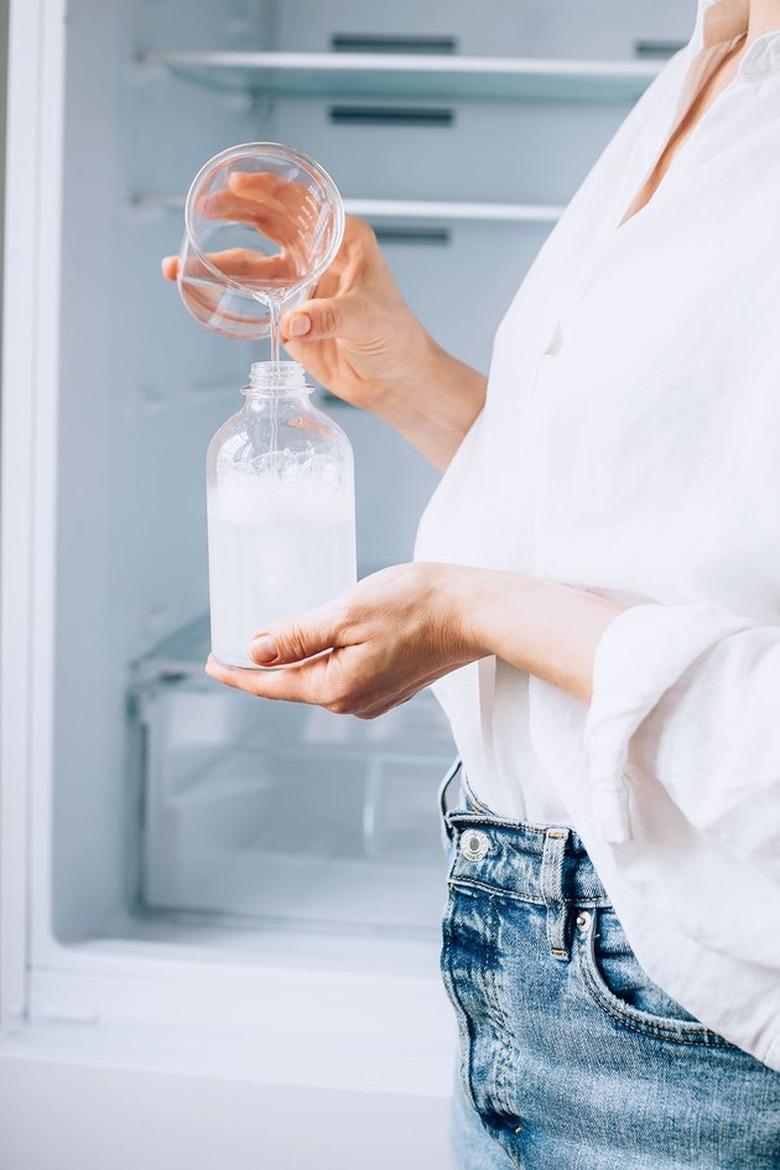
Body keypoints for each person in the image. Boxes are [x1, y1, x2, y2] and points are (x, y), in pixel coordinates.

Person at [162, 0, 780, 1164]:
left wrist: (469, 607)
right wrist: (404, 376)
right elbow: (663, 523)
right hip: (513, 950)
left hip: (701, 1018)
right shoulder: (720, 59)